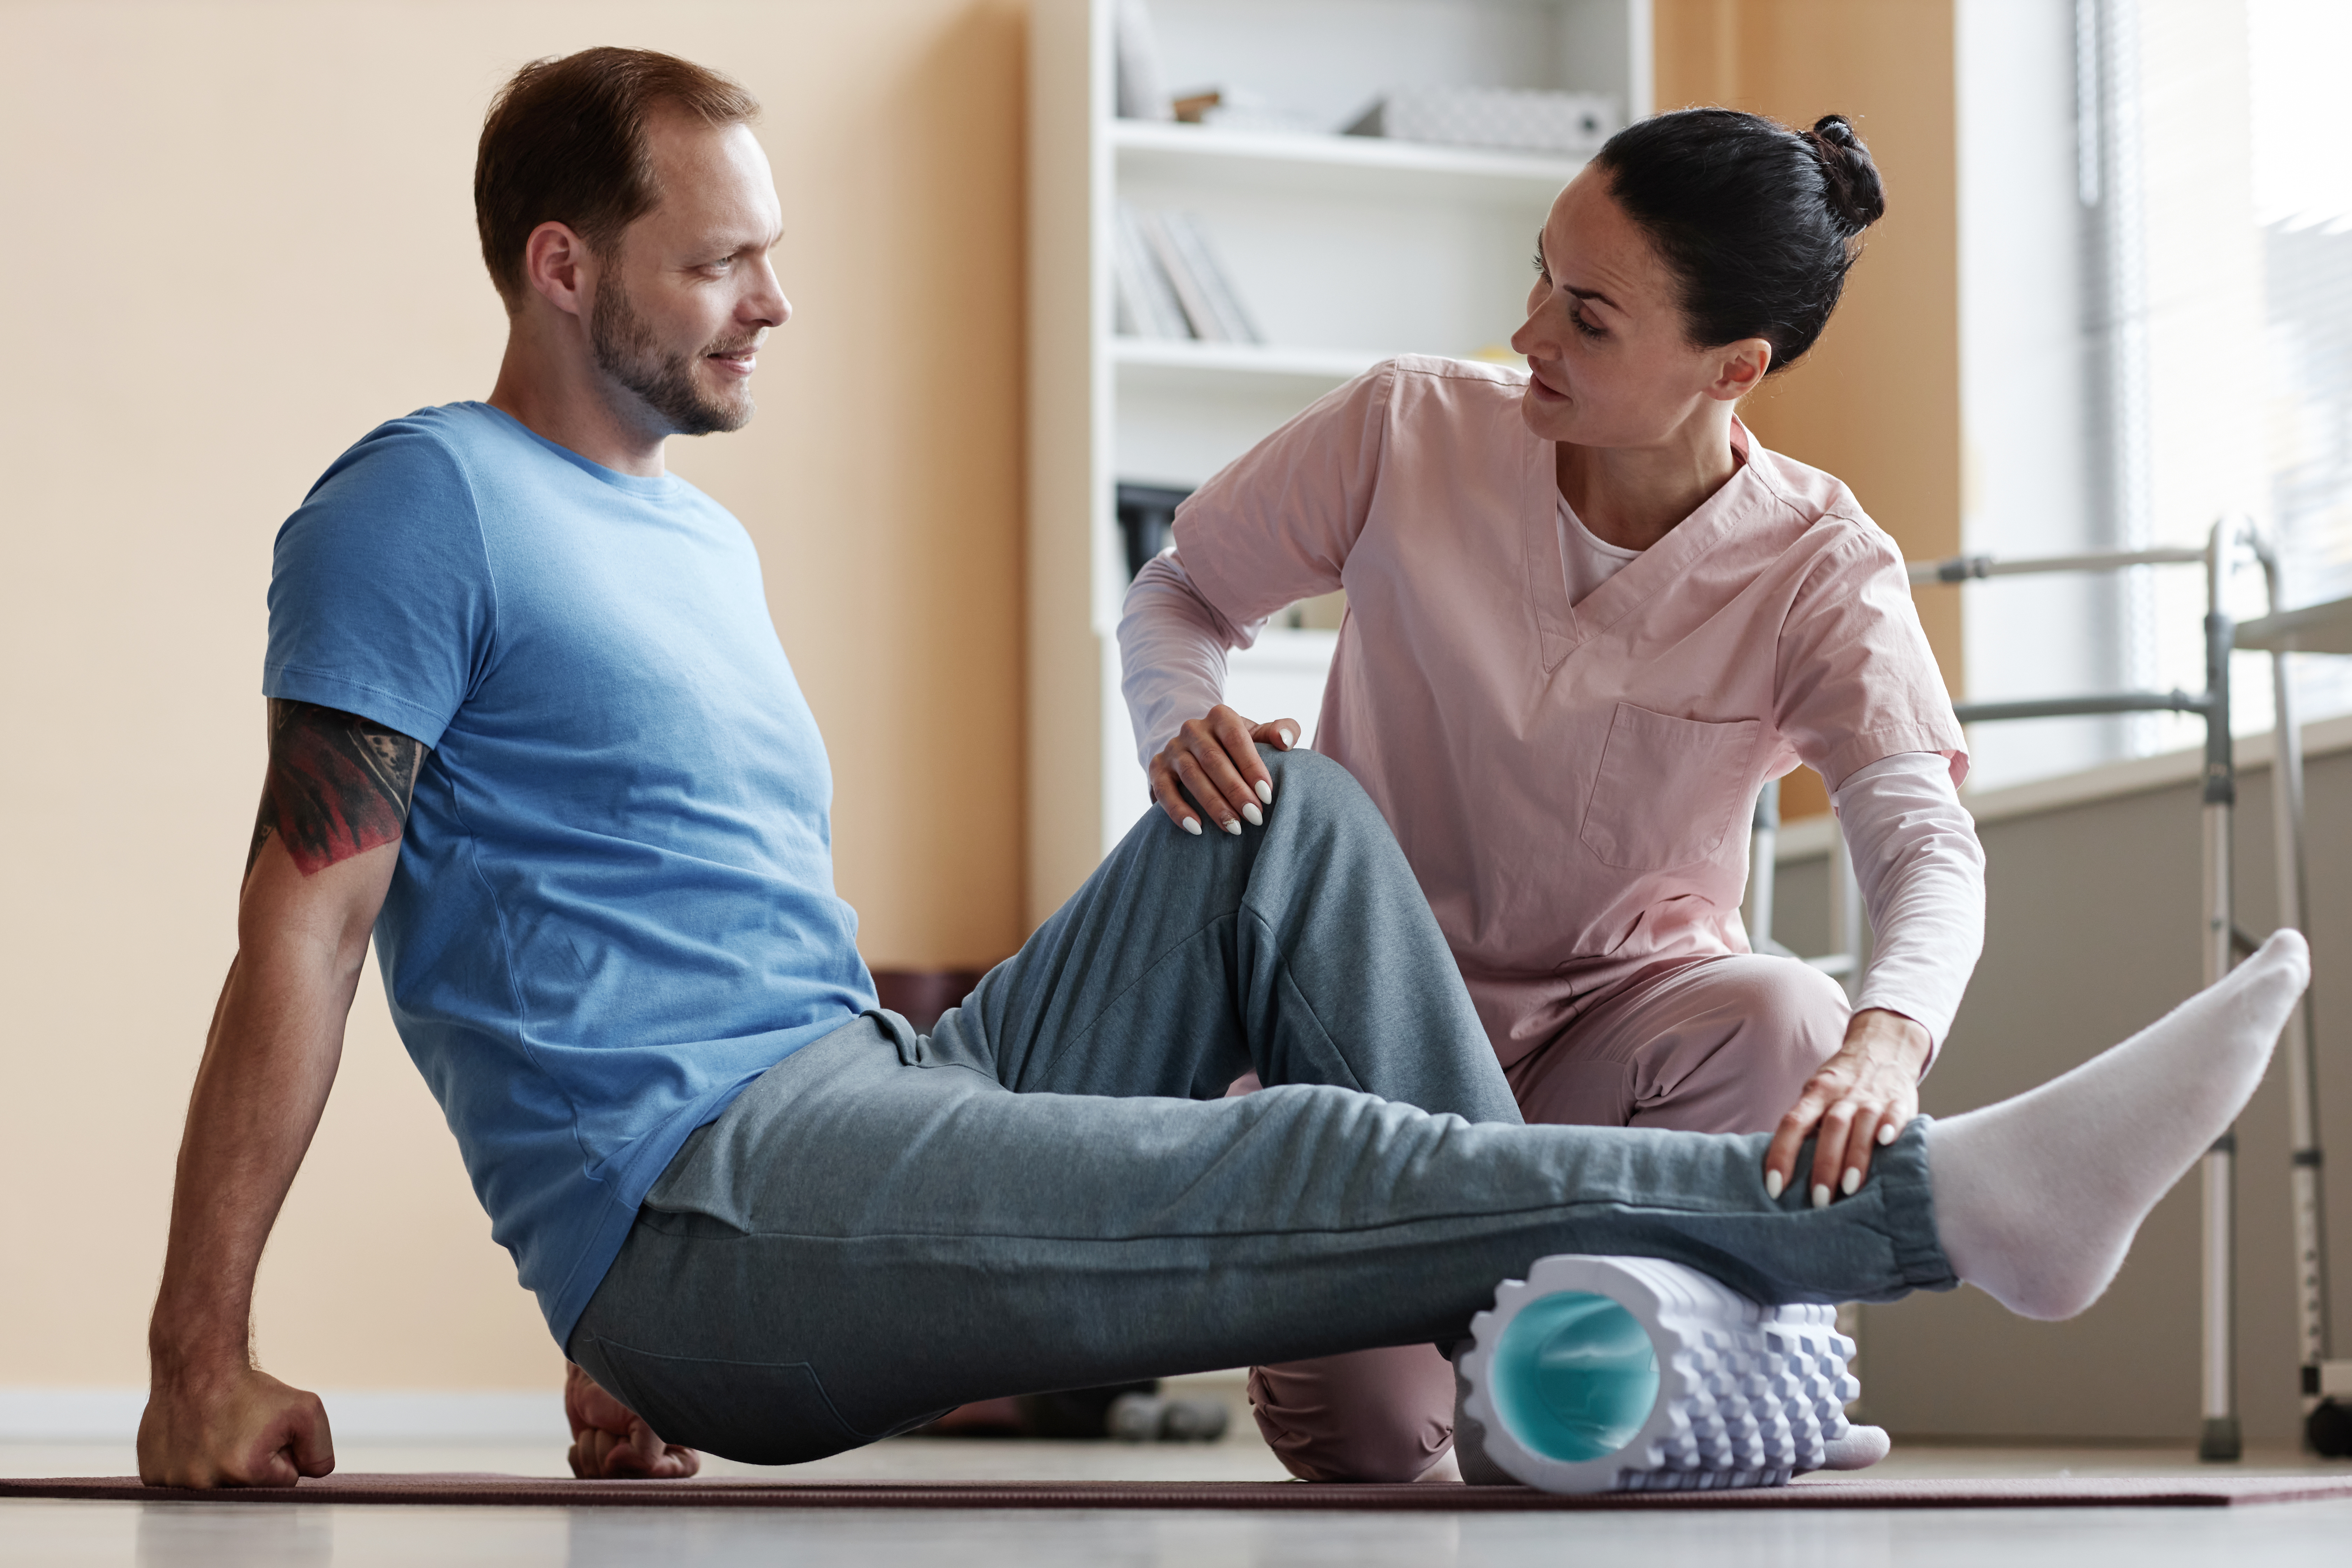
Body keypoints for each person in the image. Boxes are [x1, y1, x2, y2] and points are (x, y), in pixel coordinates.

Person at [133, 48, 2312, 1492]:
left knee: (1291, 812)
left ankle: (1652, 1342)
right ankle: (1949, 1222)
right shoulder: (416, 502)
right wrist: (202, 1355)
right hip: (718, 1194)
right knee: (1303, 1178)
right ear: (560, 266)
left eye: (775, 256)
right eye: (725, 262)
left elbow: (675, 933)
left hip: (848, 1112)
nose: (777, 304)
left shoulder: (693, 540)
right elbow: (309, 928)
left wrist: (621, 1340)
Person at [1117, 108, 1985, 1480]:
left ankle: (1705, 1361)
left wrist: (1891, 1042)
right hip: (1371, 1038)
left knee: (1791, 1011)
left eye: (1587, 317)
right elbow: (1181, 592)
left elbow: (1921, 837)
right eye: (1540, 276)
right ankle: (1712, 1375)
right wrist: (1182, 716)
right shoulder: (1409, 425)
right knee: (1363, 1444)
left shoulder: (1821, 561)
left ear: (1733, 367)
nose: (1528, 332)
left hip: (1624, 1051)